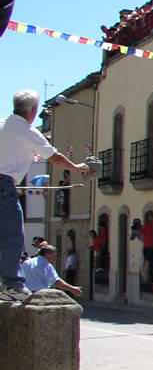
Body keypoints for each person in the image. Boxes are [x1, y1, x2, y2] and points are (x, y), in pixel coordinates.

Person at [1, 91, 94, 300]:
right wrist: (76, 167)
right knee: (12, 237)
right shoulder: (27, 130)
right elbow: (55, 158)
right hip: (3, 186)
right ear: (33, 112)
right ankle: (12, 286)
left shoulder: (2, 124)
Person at [141, 211, 153, 287]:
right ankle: (147, 279)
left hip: (147, 246)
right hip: (150, 246)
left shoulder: (147, 226)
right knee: (148, 262)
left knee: (147, 262)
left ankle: (145, 279)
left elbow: (142, 236)